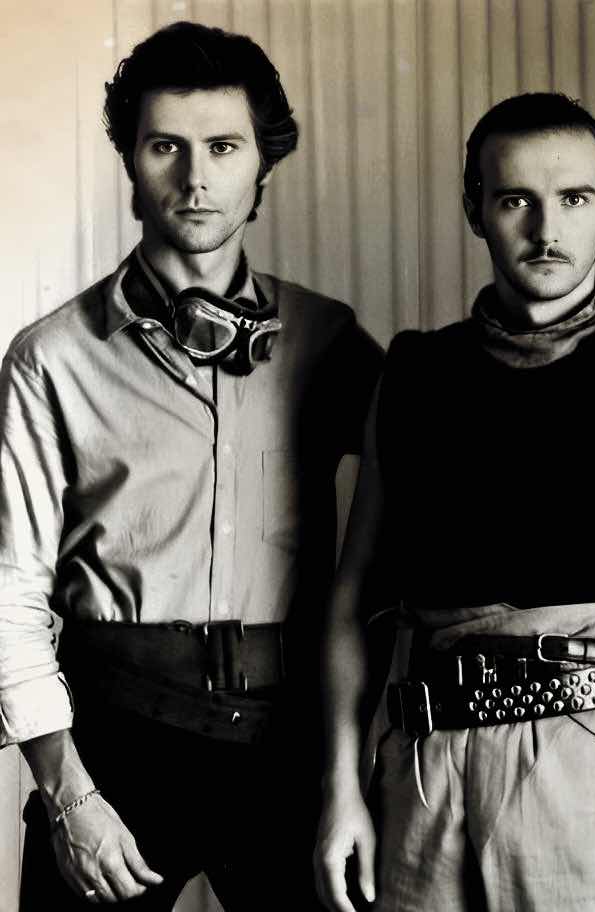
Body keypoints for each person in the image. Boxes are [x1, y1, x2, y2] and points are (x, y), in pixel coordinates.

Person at [313, 92, 595, 912]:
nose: (548, 229)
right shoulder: (412, 375)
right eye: (516, 200)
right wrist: (341, 791)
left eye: (575, 198)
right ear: (474, 209)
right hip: (424, 772)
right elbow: (354, 598)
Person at [0, 21, 382, 910]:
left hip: (292, 747)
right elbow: (8, 591)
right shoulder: (52, 358)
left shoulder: (327, 339)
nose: (196, 178)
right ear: (130, 162)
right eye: (165, 146)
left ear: (263, 165)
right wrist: (68, 797)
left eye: (223, 147)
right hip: (115, 744)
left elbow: (444, 488)